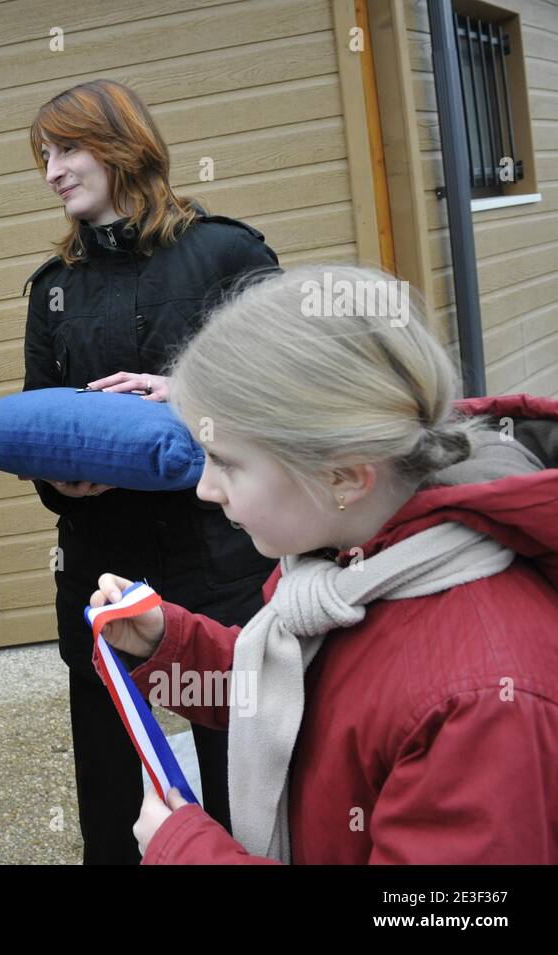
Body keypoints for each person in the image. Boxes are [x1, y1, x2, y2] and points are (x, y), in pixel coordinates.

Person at [92, 264, 558, 864]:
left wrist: (186, 852)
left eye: (226, 462)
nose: (206, 488)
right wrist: (173, 646)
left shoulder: (485, 704)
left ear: (343, 475)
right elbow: (320, 700)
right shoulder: (362, 566)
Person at [23, 78, 279, 863]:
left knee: (246, 783)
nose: (53, 171)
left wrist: (185, 397)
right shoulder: (53, 290)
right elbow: (39, 421)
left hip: (221, 562)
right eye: (43, 156)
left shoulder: (227, 253)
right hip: (101, 574)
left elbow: (296, 393)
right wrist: (59, 478)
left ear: (122, 145)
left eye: (67, 149)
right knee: (112, 796)